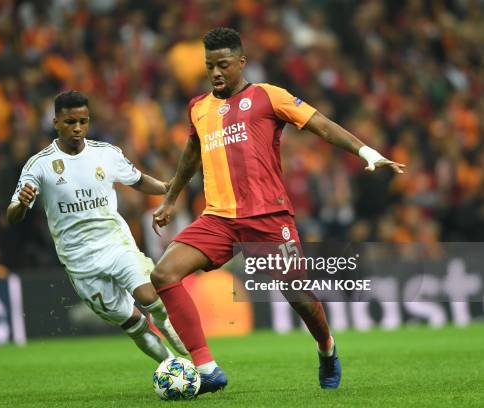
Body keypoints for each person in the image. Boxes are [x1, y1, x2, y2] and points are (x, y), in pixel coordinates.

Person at [151, 27, 406, 394]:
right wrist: (172, 198)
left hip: (268, 218)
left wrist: (366, 152)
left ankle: (326, 347)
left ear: (241, 62)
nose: (216, 73)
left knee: (299, 296)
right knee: (164, 274)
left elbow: (320, 125)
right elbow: (192, 153)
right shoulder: (198, 108)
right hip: (218, 218)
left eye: (223, 64)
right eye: (210, 66)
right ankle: (207, 368)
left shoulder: (268, 97)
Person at [7, 90, 187, 363]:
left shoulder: (106, 154)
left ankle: (167, 326)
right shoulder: (39, 165)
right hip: (80, 261)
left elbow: (137, 180)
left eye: (83, 121)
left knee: (149, 296)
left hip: (115, 244)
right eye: (70, 122)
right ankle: (172, 366)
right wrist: (21, 203)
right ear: (56, 122)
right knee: (134, 323)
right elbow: (12, 216)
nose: (77, 128)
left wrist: (163, 187)